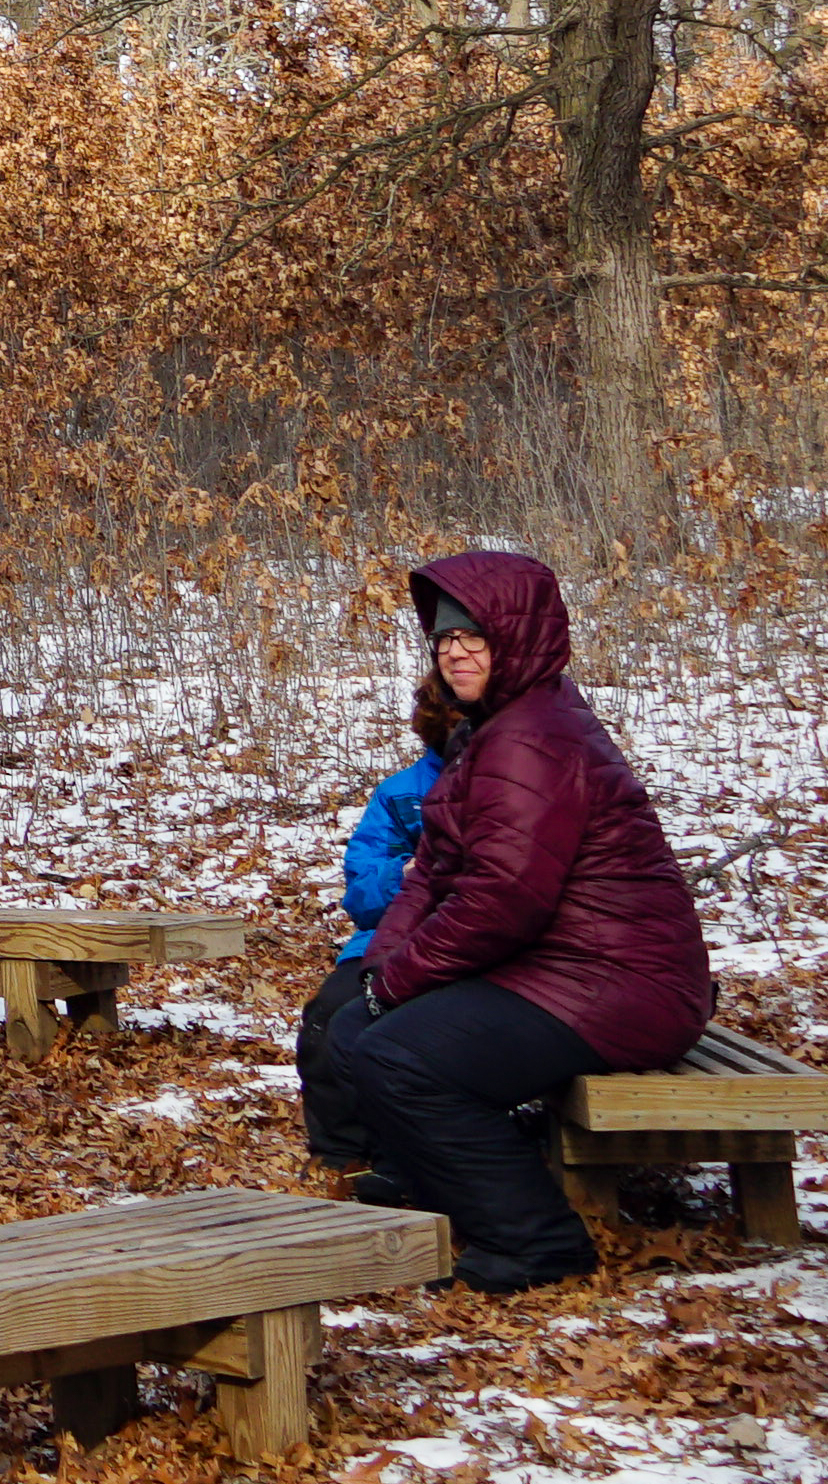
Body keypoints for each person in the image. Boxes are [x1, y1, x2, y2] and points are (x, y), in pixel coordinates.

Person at [352, 547, 718, 1293]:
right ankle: (442, 1184)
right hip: (569, 966)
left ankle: (535, 1243)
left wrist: (399, 981)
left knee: (401, 1056)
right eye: (445, 638)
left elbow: (503, 901)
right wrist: (384, 964)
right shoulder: (496, 726)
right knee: (359, 1022)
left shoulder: (529, 739)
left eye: (474, 636)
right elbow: (436, 872)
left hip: (623, 984)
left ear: (516, 638)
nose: (455, 652)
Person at [293, 670, 461, 1178]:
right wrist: (404, 875)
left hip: (476, 943)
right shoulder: (401, 794)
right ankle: (342, 1158)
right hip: (389, 939)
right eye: (451, 721)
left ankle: (411, 1156)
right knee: (328, 1017)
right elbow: (361, 896)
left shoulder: (516, 780)